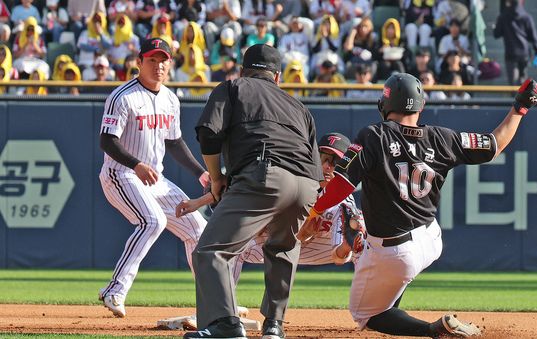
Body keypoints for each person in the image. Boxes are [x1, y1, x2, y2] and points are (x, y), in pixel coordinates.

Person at [296, 73, 537, 337]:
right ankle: (396, 297)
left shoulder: (373, 136)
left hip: (395, 252)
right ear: (421, 106)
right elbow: (494, 144)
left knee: (366, 315)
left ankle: (433, 330)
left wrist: (315, 210)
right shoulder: (442, 139)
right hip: (430, 238)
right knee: (383, 274)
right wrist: (520, 107)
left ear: (385, 104)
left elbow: (342, 184)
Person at [183, 43, 323, 339]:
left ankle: (225, 324)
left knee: (211, 251)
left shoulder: (234, 87)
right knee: (283, 247)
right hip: (307, 185)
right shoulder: (298, 106)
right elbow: (315, 166)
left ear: (244, 70)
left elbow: (209, 132)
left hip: (266, 174)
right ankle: (274, 325)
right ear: (277, 77)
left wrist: (215, 177)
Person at [98, 37, 209, 318]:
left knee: (198, 229)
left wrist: (200, 172)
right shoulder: (123, 96)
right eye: (152, 60)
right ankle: (115, 290)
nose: (158, 66)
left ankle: (213, 302)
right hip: (120, 174)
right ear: (139, 62)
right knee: (153, 221)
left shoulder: (171, 98)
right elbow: (107, 141)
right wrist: (135, 164)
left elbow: (174, 143)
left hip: (154, 179)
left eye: (163, 60)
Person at [177, 132, 364, 271]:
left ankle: (373, 313)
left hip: (321, 251)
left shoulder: (343, 202)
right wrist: (198, 202)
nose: (326, 166)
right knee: (232, 248)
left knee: (364, 244)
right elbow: (246, 190)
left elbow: (339, 258)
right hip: (279, 245)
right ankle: (223, 313)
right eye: (323, 158)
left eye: (334, 162)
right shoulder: (297, 181)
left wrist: (346, 248)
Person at [494, 0, 537, 85]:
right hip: (524, 53)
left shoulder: (503, 17)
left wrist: (495, 27)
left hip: (510, 53)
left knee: (512, 83)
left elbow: (496, 34)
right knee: (522, 81)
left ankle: (513, 96)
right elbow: (534, 37)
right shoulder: (527, 17)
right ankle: (521, 97)